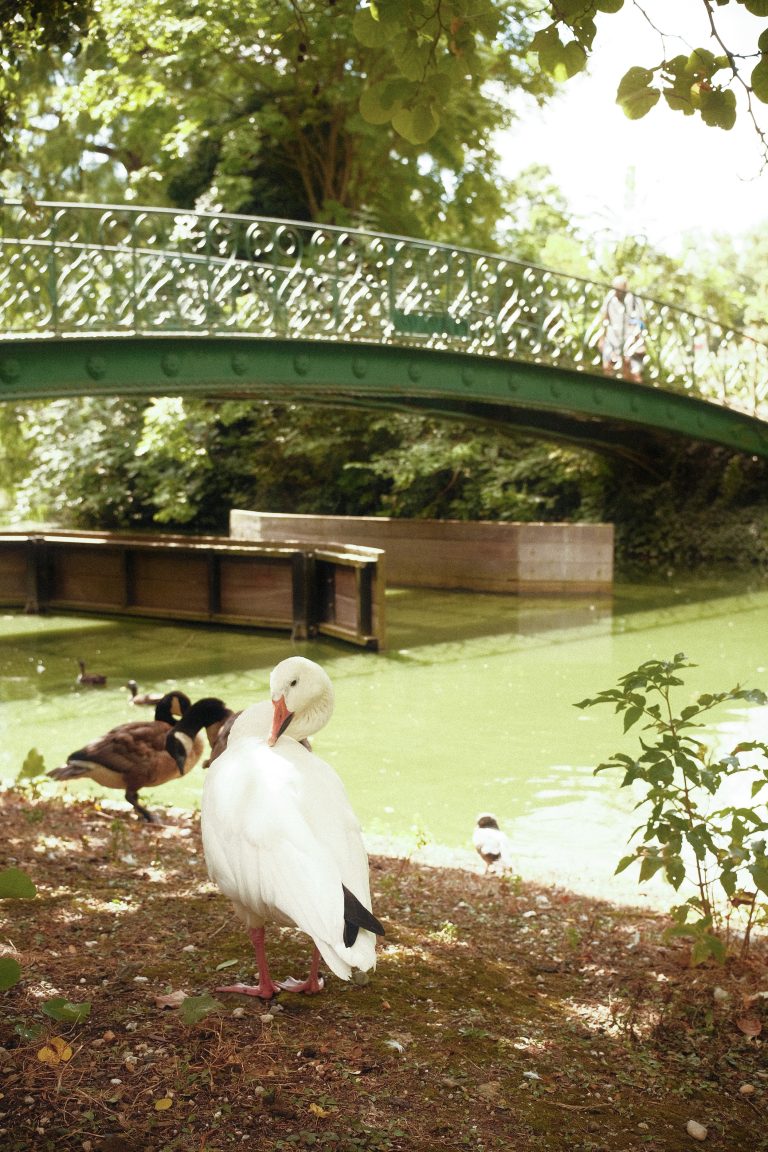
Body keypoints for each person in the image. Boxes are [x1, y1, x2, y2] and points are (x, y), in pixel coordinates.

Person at [597, 274, 646, 383]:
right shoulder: (610, 298)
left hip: (629, 340)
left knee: (632, 370)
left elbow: (640, 323)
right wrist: (601, 338)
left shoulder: (634, 301)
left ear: (625, 289)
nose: (617, 292)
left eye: (619, 290)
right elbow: (605, 318)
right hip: (612, 338)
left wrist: (636, 342)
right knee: (607, 365)